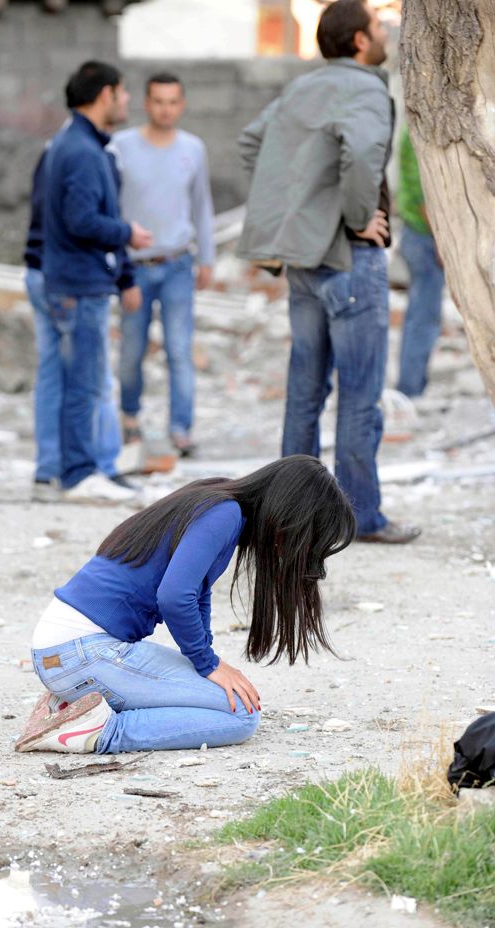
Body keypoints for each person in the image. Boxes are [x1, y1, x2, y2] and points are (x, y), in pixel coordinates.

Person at [14, 455, 355, 754]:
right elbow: (175, 595)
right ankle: (99, 731)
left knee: (228, 698)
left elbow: (196, 590)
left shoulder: (217, 499)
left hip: (66, 652)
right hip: (85, 654)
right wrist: (206, 664)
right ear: (289, 515)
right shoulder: (224, 514)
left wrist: (208, 658)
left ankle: (71, 705)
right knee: (240, 716)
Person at [237, 0, 420, 545]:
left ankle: (288, 522)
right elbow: (363, 154)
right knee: (359, 397)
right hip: (349, 260)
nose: (383, 31)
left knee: (304, 395)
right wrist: (357, 217)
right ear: (359, 42)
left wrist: (304, 208)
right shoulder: (366, 87)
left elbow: (253, 144)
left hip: (304, 266)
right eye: (376, 26)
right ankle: (361, 516)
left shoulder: (302, 88)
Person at [24, 68, 139, 501]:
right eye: (122, 91)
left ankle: (66, 469)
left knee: (71, 376)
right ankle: (79, 471)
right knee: (85, 382)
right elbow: (81, 220)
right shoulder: (83, 152)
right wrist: (127, 233)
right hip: (79, 280)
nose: (127, 99)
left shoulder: (73, 144)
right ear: (105, 94)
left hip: (69, 278)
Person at [112, 73, 215, 457]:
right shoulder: (121, 146)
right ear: (146, 103)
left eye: (173, 102)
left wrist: (206, 258)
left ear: (182, 104)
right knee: (132, 349)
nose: (165, 109)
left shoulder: (193, 148)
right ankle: (130, 418)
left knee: (178, 348)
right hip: (134, 266)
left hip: (177, 264)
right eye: (158, 101)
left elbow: (202, 205)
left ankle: (181, 427)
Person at [395, 125, 445, 398]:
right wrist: (441, 239)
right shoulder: (418, 136)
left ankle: (413, 385)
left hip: (426, 236)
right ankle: (410, 389)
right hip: (424, 237)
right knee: (423, 316)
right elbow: (420, 193)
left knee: (424, 315)